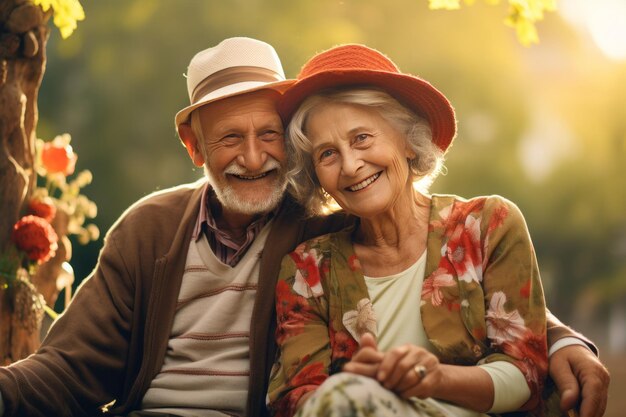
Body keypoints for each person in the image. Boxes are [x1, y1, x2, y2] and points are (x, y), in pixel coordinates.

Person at [0, 37, 608, 417]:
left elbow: (463, 272)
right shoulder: (151, 230)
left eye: (269, 134)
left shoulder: (324, 224)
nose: (255, 157)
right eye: (230, 139)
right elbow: (72, 367)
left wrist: (560, 340)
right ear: (195, 148)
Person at [267, 44, 609, 417]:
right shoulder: (306, 269)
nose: (350, 165)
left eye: (362, 138)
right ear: (317, 176)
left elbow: (525, 373)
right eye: (327, 154)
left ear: (407, 142)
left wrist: (434, 379)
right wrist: (361, 391)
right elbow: (296, 398)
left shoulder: (488, 225)